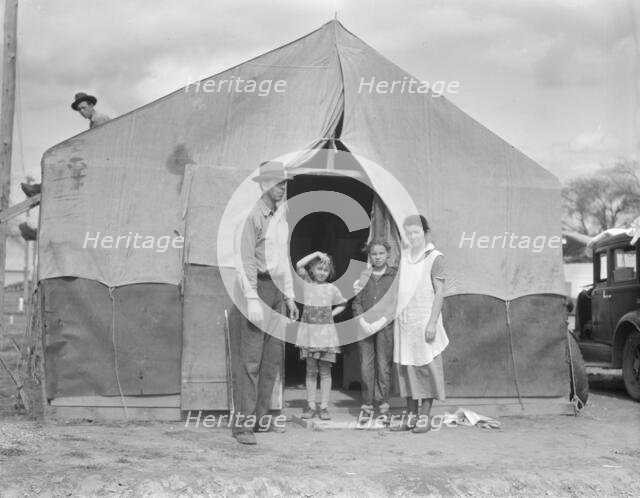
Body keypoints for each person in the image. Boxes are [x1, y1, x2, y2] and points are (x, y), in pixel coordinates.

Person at [228, 160, 299, 445]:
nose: (282, 188)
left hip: (277, 291)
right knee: (252, 361)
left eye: (284, 183)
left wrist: (290, 295)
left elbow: (284, 259)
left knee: (271, 362)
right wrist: (252, 298)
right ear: (262, 184)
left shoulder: (281, 217)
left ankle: (259, 418)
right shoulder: (251, 216)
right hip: (256, 289)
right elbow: (243, 262)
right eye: (277, 183)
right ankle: (242, 425)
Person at [390, 214, 449, 433]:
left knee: (426, 370)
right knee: (407, 370)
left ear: (425, 233)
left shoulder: (435, 257)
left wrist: (432, 322)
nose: (413, 236)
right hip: (405, 322)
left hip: (425, 320)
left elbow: (440, 292)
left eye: (417, 232)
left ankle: (424, 419)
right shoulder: (404, 257)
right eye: (409, 233)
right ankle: (410, 418)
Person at [295, 251, 347, 421]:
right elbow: (298, 265)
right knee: (311, 371)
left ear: (329, 272)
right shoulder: (308, 284)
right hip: (309, 335)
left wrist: (332, 313)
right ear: (312, 270)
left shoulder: (332, 288)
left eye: (326, 269)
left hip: (326, 336)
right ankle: (310, 405)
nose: (322, 272)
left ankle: (323, 407)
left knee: (325, 372)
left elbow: (342, 304)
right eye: (319, 268)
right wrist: (317, 253)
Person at [351, 240, 398, 419]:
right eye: (374, 254)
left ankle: (383, 405)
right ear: (369, 255)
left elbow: (395, 302)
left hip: (385, 327)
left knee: (383, 365)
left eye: (381, 253)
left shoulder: (394, 276)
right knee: (365, 366)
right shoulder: (364, 276)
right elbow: (356, 302)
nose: (377, 257)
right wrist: (362, 321)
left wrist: (382, 322)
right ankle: (367, 405)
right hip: (365, 328)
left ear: (388, 254)